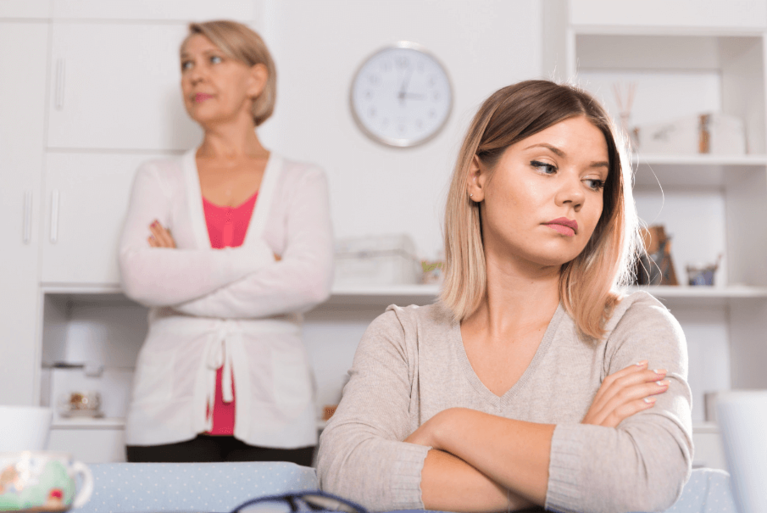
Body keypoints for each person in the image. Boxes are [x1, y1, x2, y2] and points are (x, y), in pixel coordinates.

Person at [317, 80, 692, 512]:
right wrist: (573, 470)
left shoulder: (635, 326)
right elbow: (344, 474)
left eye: (594, 181)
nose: (575, 195)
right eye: (547, 166)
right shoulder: (401, 337)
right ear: (477, 177)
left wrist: (449, 427)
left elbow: (642, 482)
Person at [119, 20, 333, 465]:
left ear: (256, 79)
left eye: (214, 59)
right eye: (186, 64)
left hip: (277, 414)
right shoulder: (158, 177)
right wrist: (257, 260)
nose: (195, 74)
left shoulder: (302, 179)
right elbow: (139, 277)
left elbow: (310, 283)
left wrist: (182, 272)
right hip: (165, 413)